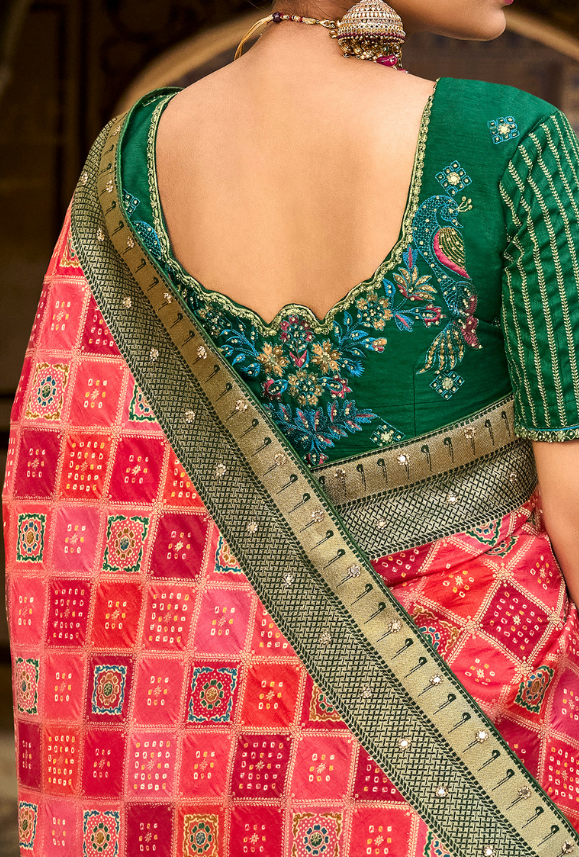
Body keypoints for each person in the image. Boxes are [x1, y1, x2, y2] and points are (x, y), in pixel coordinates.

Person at [4, 0, 579, 854]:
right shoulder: (513, 144)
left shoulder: (128, 158)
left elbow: (69, 491)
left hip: (220, 748)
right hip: (490, 731)